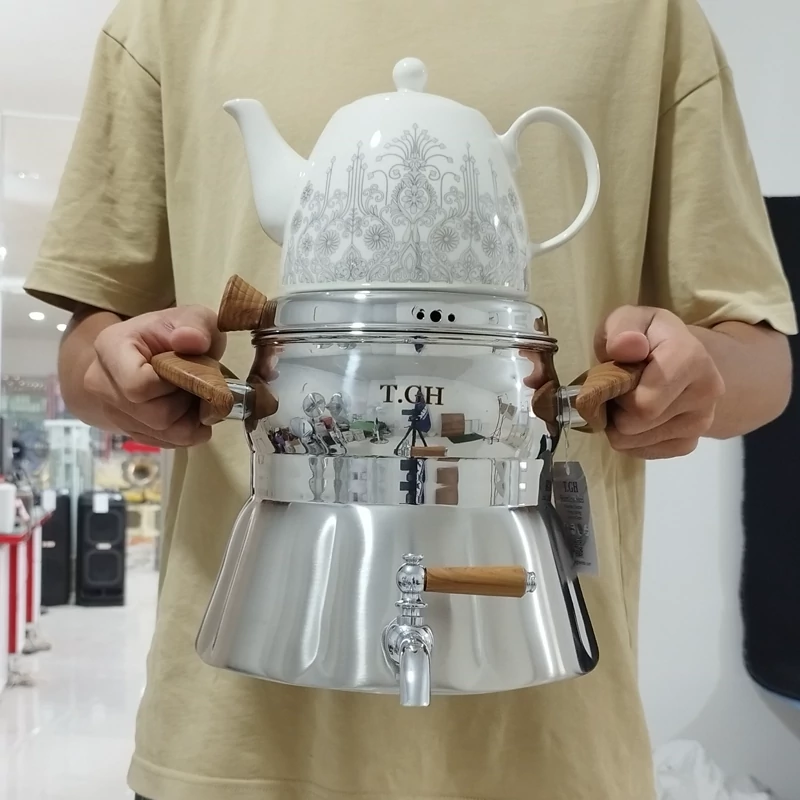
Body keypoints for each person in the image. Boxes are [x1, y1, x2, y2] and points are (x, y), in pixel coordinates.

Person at [24, 1, 796, 798]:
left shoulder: (647, 16)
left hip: (547, 740)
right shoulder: (169, 15)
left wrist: (689, 376)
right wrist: (118, 376)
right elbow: (88, 345)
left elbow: (763, 365)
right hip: (233, 744)